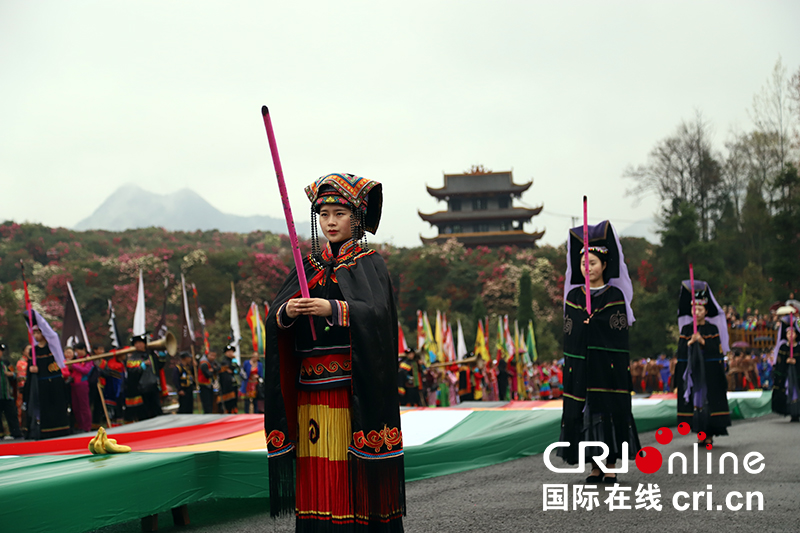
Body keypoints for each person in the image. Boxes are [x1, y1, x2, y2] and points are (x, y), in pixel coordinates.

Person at [264, 173, 404, 531]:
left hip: (351, 391)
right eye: (324, 214)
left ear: (356, 218)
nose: (330, 222)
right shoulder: (306, 266)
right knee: (317, 469)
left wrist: (335, 309)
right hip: (311, 390)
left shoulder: (369, 262)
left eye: (339, 214)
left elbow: (379, 316)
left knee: (347, 468)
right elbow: (274, 315)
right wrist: (287, 313)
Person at [558, 220, 640, 483]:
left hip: (608, 369)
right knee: (587, 415)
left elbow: (617, 330)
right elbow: (569, 333)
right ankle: (594, 465)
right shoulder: (574, 298)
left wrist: (596, 323)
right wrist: (584, 327)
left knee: (609, 412)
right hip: (582, 369)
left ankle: (611, 463)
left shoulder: (615, 296)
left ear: (605, 265)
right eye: (583, 263)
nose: (587, 268)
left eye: (592, 263)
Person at [675, 280, 731, 446]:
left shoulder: (712, 329)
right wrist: (690, 342)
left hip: (709, 373)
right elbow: (681, 353)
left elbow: (716, 350)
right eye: (694, 309)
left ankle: (709, 434)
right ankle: (700, 432)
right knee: (695, 401)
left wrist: (703, 341)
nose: (696, 312)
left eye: (700, 309)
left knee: (708, 400)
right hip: (694, 374)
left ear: (706, 311)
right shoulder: (686, 329)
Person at [23, 315, 71, 439]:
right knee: (46, 409)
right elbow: (31, 367)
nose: (36, 335)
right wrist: (32, 370)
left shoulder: (52, 346)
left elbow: (56, 361)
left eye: (38, 332)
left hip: (55, 382)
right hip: (42, 383)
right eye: (34, 333)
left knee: (59, 407)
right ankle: (46, 432)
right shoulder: (34, 351)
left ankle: (62, 430)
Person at [124, 334, 164, 422]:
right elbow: (131, 372)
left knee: (157, 409)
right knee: (145, 412)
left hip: (153, 386)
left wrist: (162, 356)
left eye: (140, 342)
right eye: (136, 343)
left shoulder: (151, 354)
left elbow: (159, 366)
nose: (139, 345)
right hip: (141, 389)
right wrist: (141, 366)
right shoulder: (133, 358)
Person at [771, 314, 800, 422]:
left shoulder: (798, 347)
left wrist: (796, 361)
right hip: (787, 373)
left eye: (792, 333)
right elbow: (779, 362)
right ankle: (790, 411)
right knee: (788, 390)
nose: (790, 335)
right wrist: (786, 361)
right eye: (788, 333)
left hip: (796, 373)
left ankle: (797, 412)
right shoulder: (783, 347)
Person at [68, 342, 93, 432]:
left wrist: (73, 366)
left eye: (78, 350)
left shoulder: (88, 360)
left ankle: (86, 426)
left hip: (82, 384)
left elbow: (86, 370)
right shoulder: (76, 359)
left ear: (84, 350)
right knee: (75, 407)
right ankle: (80, 425)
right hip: (74, 384)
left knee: (84, 406)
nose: (77, 352)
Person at [0, 343, 23, 439]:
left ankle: (16, 432)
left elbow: (14, 374)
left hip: (7, 394)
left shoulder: (6, 363)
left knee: (12, 414)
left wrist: (11, 374)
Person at [99, 350, 126, 424]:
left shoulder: (123, 363)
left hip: (122, 387)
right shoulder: (112, 364)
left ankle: (120, 420)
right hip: (114, 388)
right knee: (114, 405)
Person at [218, 346, 238, 413]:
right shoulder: (224, 361)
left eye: (232, 351)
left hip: (233, 383)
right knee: (228, 401)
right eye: (229, 352)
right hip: (226, 385)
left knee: (234, 400)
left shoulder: (233, 360)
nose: (230, 353)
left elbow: (236, 368)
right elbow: (228, 367)